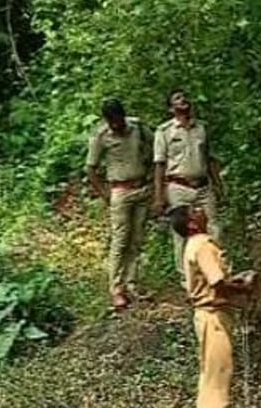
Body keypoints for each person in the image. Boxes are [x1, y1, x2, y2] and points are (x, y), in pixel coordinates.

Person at [171, 205, 256, 408]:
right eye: (195, 211)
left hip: (208, 313)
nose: (202, 211)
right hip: (213, 314)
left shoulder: (194, 245)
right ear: (191, 224)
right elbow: (217, 282)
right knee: (218, 370)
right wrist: (243, 288)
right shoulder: (203, 245)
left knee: (210, 369)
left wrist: (234, 282)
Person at [87, 98, 152, 310]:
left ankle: (132, 284)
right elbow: (91, 168)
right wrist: (105, 194)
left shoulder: (137, 127)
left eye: (119, 119)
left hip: (141, 188)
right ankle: (116, 288)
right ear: (107, 120)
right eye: (112, 121)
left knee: (137, 239)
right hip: (120, 191)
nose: (117, 124)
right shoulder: (101, 136)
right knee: (120, 240)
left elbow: (156, 150)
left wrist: (152, 176)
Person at [154, 89, 224, 276]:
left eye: (184, 97)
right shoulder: (164, 131)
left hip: (203, 186)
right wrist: (159, 196)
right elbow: (160, 165)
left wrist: (218, 184)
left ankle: (217, 270)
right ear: (171, 108)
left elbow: (209, 158)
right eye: (177, 98)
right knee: (182, 233)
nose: (183, 99)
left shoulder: (201, 128)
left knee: (213, 227)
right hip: (178, 187)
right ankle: (187, 278)